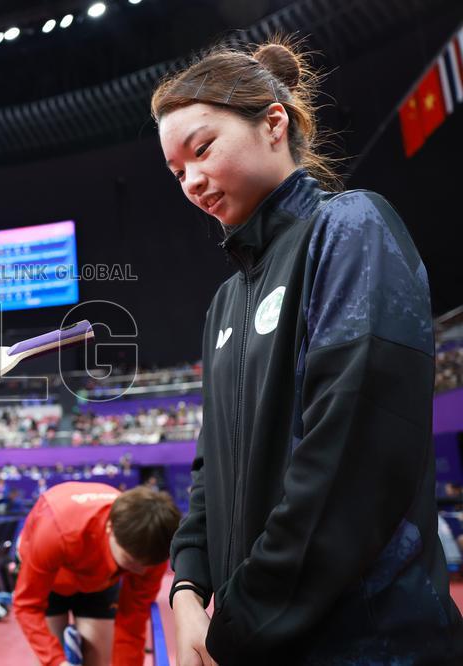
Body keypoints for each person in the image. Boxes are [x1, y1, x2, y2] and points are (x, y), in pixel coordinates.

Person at [151, 39, 463, 664]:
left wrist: (237, 622)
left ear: (274, 122)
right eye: (176, 170)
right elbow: (211, 466)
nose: (191, 181)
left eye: (202, 149)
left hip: (371, 645)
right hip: (263, 640)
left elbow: (353, 458)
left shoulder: (350, 229)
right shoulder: (225, 304)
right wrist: (187, 586)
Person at [13, 482, 181, 666]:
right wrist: (56, 661)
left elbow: (132, 623)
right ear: (110, 529)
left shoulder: (153, 551)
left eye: (147, 565)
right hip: (50, 580)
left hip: (101, 580)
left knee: (99, 659)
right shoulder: (55, 531)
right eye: (131, 560)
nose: (141, 571)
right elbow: (27, 606)